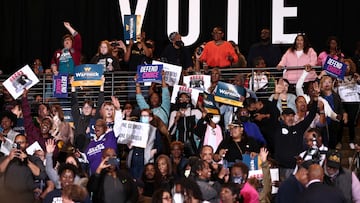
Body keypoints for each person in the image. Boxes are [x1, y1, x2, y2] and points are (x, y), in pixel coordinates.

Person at [0, 134, 47, 203]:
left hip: (26, 197)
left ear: (27, 144)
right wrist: (8, 159)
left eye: (21, 143)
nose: (18, 145)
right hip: (7, 196)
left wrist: (27, 161)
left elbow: (41, 175)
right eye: (16, 143)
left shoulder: (33, 159)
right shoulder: (6, 158)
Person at [335, 58, 360, 149]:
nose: (346, 67)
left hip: (354, 102)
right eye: (344, 65)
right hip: (342, 103)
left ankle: (352, 141)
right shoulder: (337, 77)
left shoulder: (355, 76)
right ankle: (338, 142)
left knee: (351, 123)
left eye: (348, 65)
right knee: (340, 122)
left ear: (351, 66)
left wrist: (359, 81)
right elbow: (335, 91)